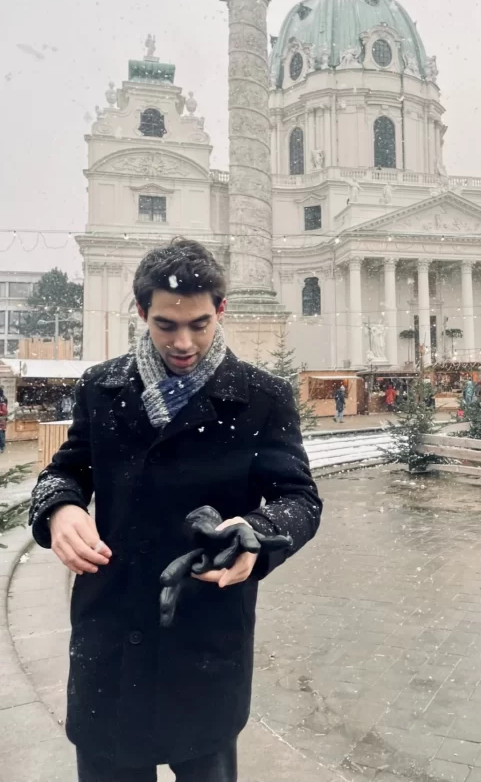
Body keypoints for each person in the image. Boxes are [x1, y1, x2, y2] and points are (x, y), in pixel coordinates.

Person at [28, 239, 322, 782]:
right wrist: (61, 508)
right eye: (166, 325)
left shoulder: (263, 397)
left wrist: (255, 533)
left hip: (203, 635)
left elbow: (300, 499)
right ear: (141, 313)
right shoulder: (102, 386)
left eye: (199, 323)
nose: (184, 342)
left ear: (221, 310)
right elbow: (66, 470)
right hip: (111, 632)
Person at [0, 388, 7, 454]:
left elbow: (5, 412)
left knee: (1, 435)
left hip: (1, 422)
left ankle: (2, 447)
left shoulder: (2, 403)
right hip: (2, 421)